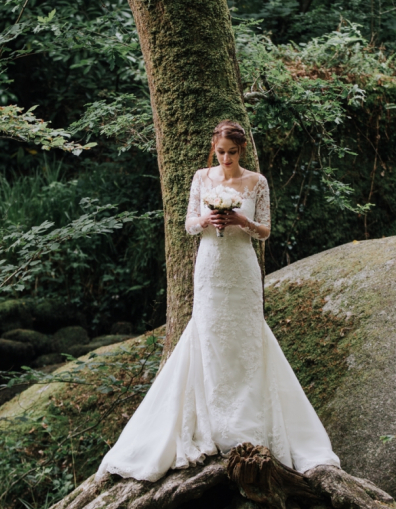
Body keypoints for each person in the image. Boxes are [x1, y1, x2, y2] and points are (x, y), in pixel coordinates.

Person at [96, 120, 340, 482]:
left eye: (231, 152)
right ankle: (209, 420)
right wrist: (207, 219)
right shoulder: (201, 177)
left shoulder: (257, 182)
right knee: (208, 336)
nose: (225, 159)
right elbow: (188, 224)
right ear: (215, 149)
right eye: (220, 152)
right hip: (210, 265)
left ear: (242, 150)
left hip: (241, 267)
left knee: (246, 337)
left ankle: (250, 422)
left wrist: (243, 220)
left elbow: (266, 231)